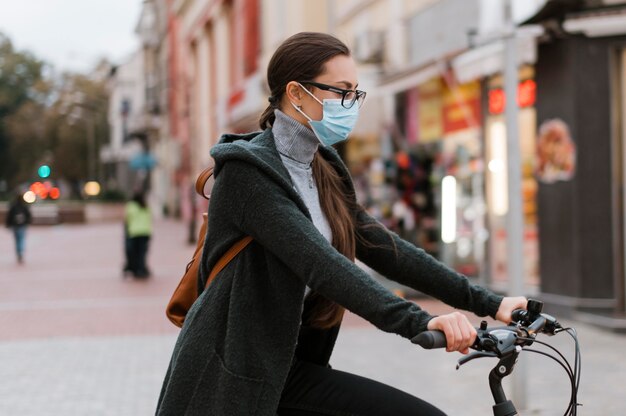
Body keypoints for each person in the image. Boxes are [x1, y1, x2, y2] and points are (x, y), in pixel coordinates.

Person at [156, 32, 527, 416]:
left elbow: (388, 250)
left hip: (289, 367)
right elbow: (320, 264)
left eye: (356, 93)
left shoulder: (324, 166)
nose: (351, 104)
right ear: (296, 93)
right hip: (234, 375)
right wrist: (420, 322)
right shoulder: (246, 175)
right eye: (342, 91)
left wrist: (491, 303)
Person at [124, 191, 152, 278]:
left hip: (134, 233)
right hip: (145, 233)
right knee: (142, 253)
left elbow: (127, 219)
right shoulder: (146, 206)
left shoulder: (130, 206)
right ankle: (142, 269)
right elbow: (149, 219)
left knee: (134, 253)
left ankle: (135, 269)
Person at [5, 192, 32, 264]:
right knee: (21, 239)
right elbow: (28, 215)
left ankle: (18, 252)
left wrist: (8, 224)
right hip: (22, 225)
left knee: (17, 240)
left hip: (15, 225)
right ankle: (21, 251)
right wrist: (27, 222)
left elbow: (9, 216)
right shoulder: (24, 206)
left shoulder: (13, 205)